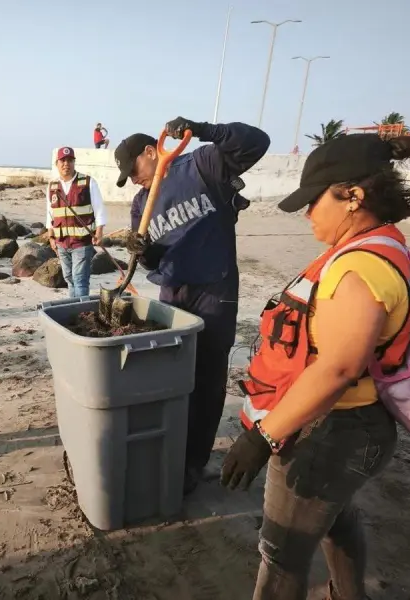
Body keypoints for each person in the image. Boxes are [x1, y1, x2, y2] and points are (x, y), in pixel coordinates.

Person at [221, 134, 410, 599]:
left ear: (353, 196)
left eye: (314, 200)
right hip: (349, 425)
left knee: (282, 552)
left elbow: (338, 369)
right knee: (334, 517)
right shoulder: (370, 248)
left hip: (335, 431)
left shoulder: (361, 269)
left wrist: (262, 436)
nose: (308, 213)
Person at [116, 117, 270, 494]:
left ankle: (193, 462)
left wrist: (205, 129)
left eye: (132, 169)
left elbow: (257, 142)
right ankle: (170, 447)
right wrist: (145, 250)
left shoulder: (202, 165)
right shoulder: (141, 204)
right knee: (173, 375)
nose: (132, 179)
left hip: (215, 287)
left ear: (152, 151)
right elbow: (153, 261)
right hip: (173, 292)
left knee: (207, 379)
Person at [46, 147, 107, 298]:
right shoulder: (52, 187)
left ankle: (82, 311)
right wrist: (51, 237)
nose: (66, 164)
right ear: (57, 163)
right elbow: (50, 213)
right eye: (63, 160)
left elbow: (99, 209)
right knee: (69, 280)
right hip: (61, 243)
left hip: (81, 242)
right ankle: (73, 309)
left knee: (79, 279)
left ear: (74, 162)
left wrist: (99, 232)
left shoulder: (87, 182)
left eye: (70, 160)